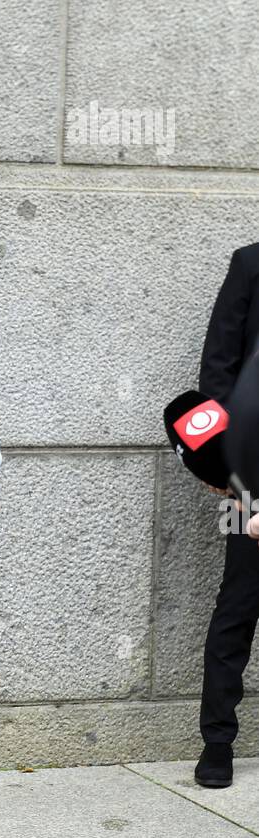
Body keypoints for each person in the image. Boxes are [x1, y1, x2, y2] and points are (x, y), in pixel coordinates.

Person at [195, 243, 259, 788]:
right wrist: (232, 478)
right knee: (239, 602)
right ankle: (217, 742)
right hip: (253, 477)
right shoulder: (251, 263)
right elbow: (218, 369)